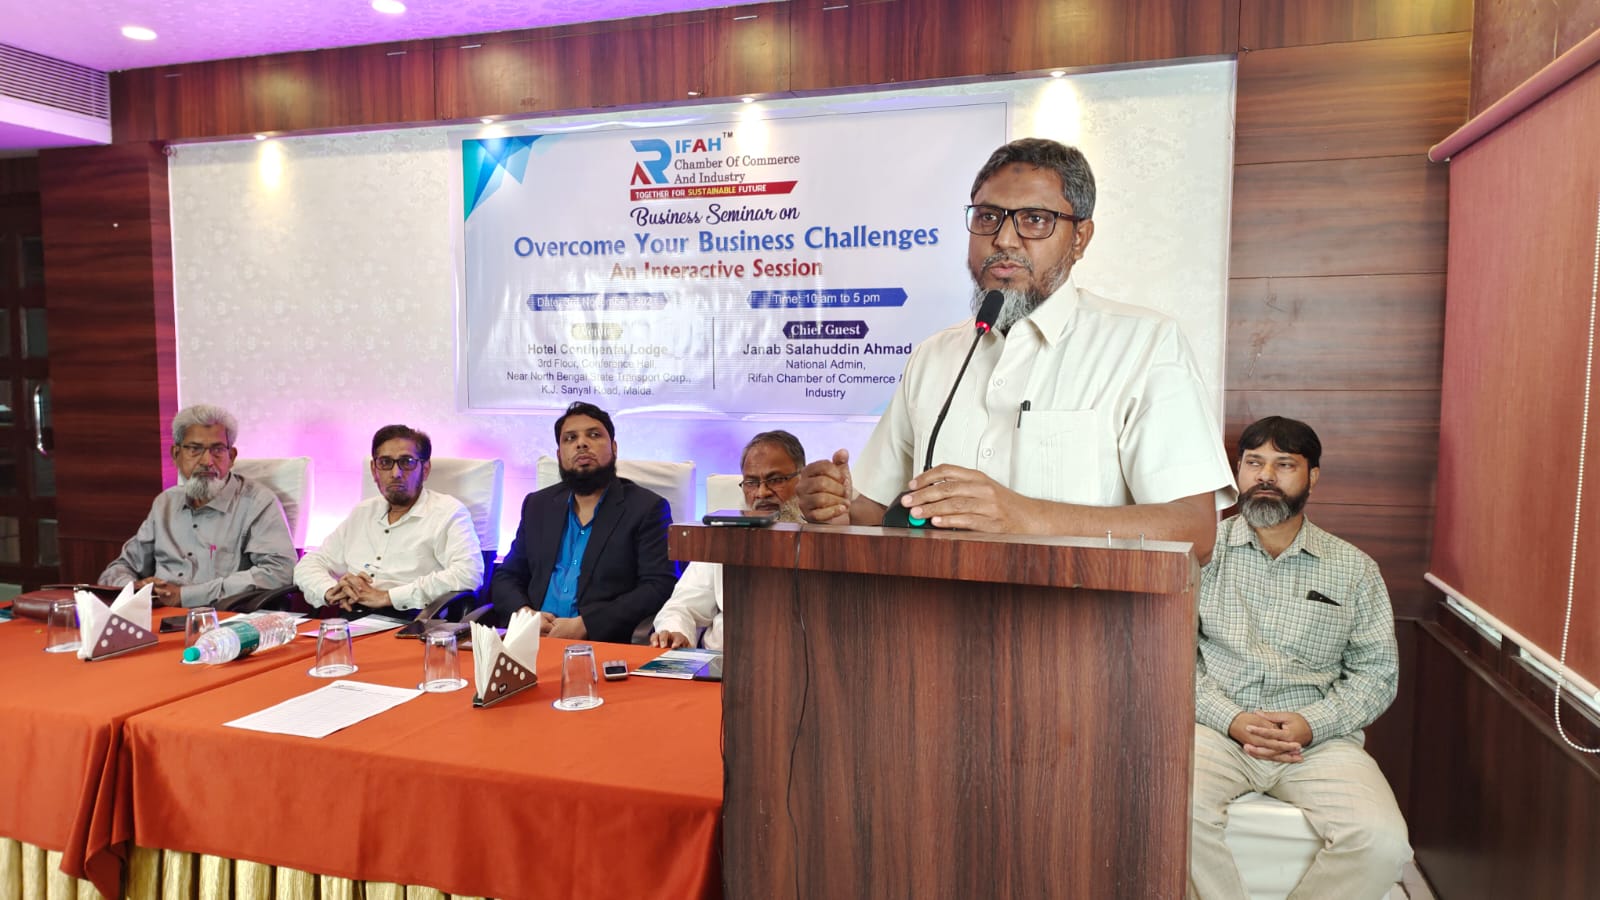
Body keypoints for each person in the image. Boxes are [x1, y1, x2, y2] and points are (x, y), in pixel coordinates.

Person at [796, 137, 1233, 560]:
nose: (1004, 239)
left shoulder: (1144, 344)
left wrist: (1023, 516)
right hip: (932, 607)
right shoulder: (934, 355)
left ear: (1080, 238)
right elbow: (876, 512)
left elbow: (1193, 531)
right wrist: (836, 507)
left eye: (1035, 219)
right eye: (988, 217)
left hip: (1076, 612)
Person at [1189, 416, 1410, 899]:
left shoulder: (1353, 569)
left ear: (1312, 477)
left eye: (1284, 464)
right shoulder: (1202, 553)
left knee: (1383, 842)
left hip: (1318, 742)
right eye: (1254, 463)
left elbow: (1376, 675)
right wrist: (1230, 719)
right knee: (1170, 813)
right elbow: (1171, 659)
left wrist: (1311, 724)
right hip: (1216, 731)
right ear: (1239, 472)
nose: (1265, 476)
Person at [490, 401, 676, 642]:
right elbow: (507, 576)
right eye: (570, 438)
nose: (581, 443)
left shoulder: (647, 508)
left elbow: (658, 586)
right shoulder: (537, 505)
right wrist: (524, 615)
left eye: (594, 435)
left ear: (614, 448)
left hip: (599, 642)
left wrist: (588, 624)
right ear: (560, 455)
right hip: (531, 639)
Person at [99, 404, 295, 607]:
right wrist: (135, 587)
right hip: (157, 615)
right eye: (195, 449)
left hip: (222, 618)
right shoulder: (165, 503)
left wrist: (185, 596)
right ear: (176, 454)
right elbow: (119, 568)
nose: (207, 461)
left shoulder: (257, 503)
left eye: (217, 450)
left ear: (231, 457)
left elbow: (280, 572)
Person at [295, 425, 482, 615]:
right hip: (351, 618)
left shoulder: (448, 512)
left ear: (425, 469)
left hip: (413, 621)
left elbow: (469, 573)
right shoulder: (363, 512)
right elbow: (310, 563)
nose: (395, 473)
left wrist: (388, 596)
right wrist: (331, 590)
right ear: (374, 469)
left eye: (407, 462)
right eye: (385, 462)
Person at [650, 430, 805, 650]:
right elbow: (683, 606)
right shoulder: (724, 536)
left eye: (776, 480)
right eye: (751, 482)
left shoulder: (823, 538)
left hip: (796, 662)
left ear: (802, 479)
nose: (761, 493)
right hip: (722, 660)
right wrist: (676, 631)